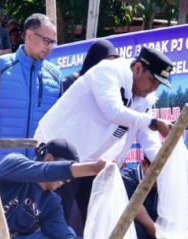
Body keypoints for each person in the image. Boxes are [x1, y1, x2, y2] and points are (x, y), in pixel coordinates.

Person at [36, 46, 175, 224]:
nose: (153, 89)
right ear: (138, 68)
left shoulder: (143, 97)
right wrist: (154, 122)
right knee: (54, 218)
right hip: (59, 153)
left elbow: (146, 135)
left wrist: (160, 160)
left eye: (158, 85)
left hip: (93, 162)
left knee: (98, 224)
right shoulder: (108, 71)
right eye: (151, 81)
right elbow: (113, 111)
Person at [0, 13, 60, 164]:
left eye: (52, 43)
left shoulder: (55, 75)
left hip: (40, 166)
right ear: (29, 35)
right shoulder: (2, 65)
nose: (49, 47)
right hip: (4, 162)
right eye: (46, 40)